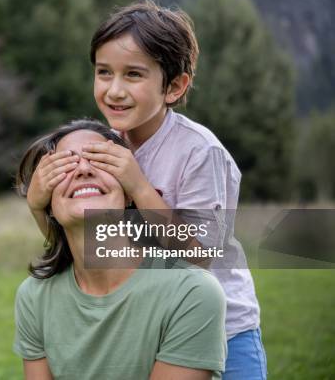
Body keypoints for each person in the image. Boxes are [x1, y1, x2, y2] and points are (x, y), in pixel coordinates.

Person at [26, 0, 266, 379]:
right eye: (104, 73)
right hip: (150, 323)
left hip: (222, 331)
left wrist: (139, 186)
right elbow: (84, 243)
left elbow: (201, 257)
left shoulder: (199, 152)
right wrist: (38, 206)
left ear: (174, 86)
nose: (114, 90)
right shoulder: (107, 141)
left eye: (133, 75)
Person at [15, 119, 227, 379]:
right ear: (48, 203)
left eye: (100, 161)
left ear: (128, 194)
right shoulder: (34, 297)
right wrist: (35, 206)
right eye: (65, 165)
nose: (83, 169)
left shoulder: (191, 293)